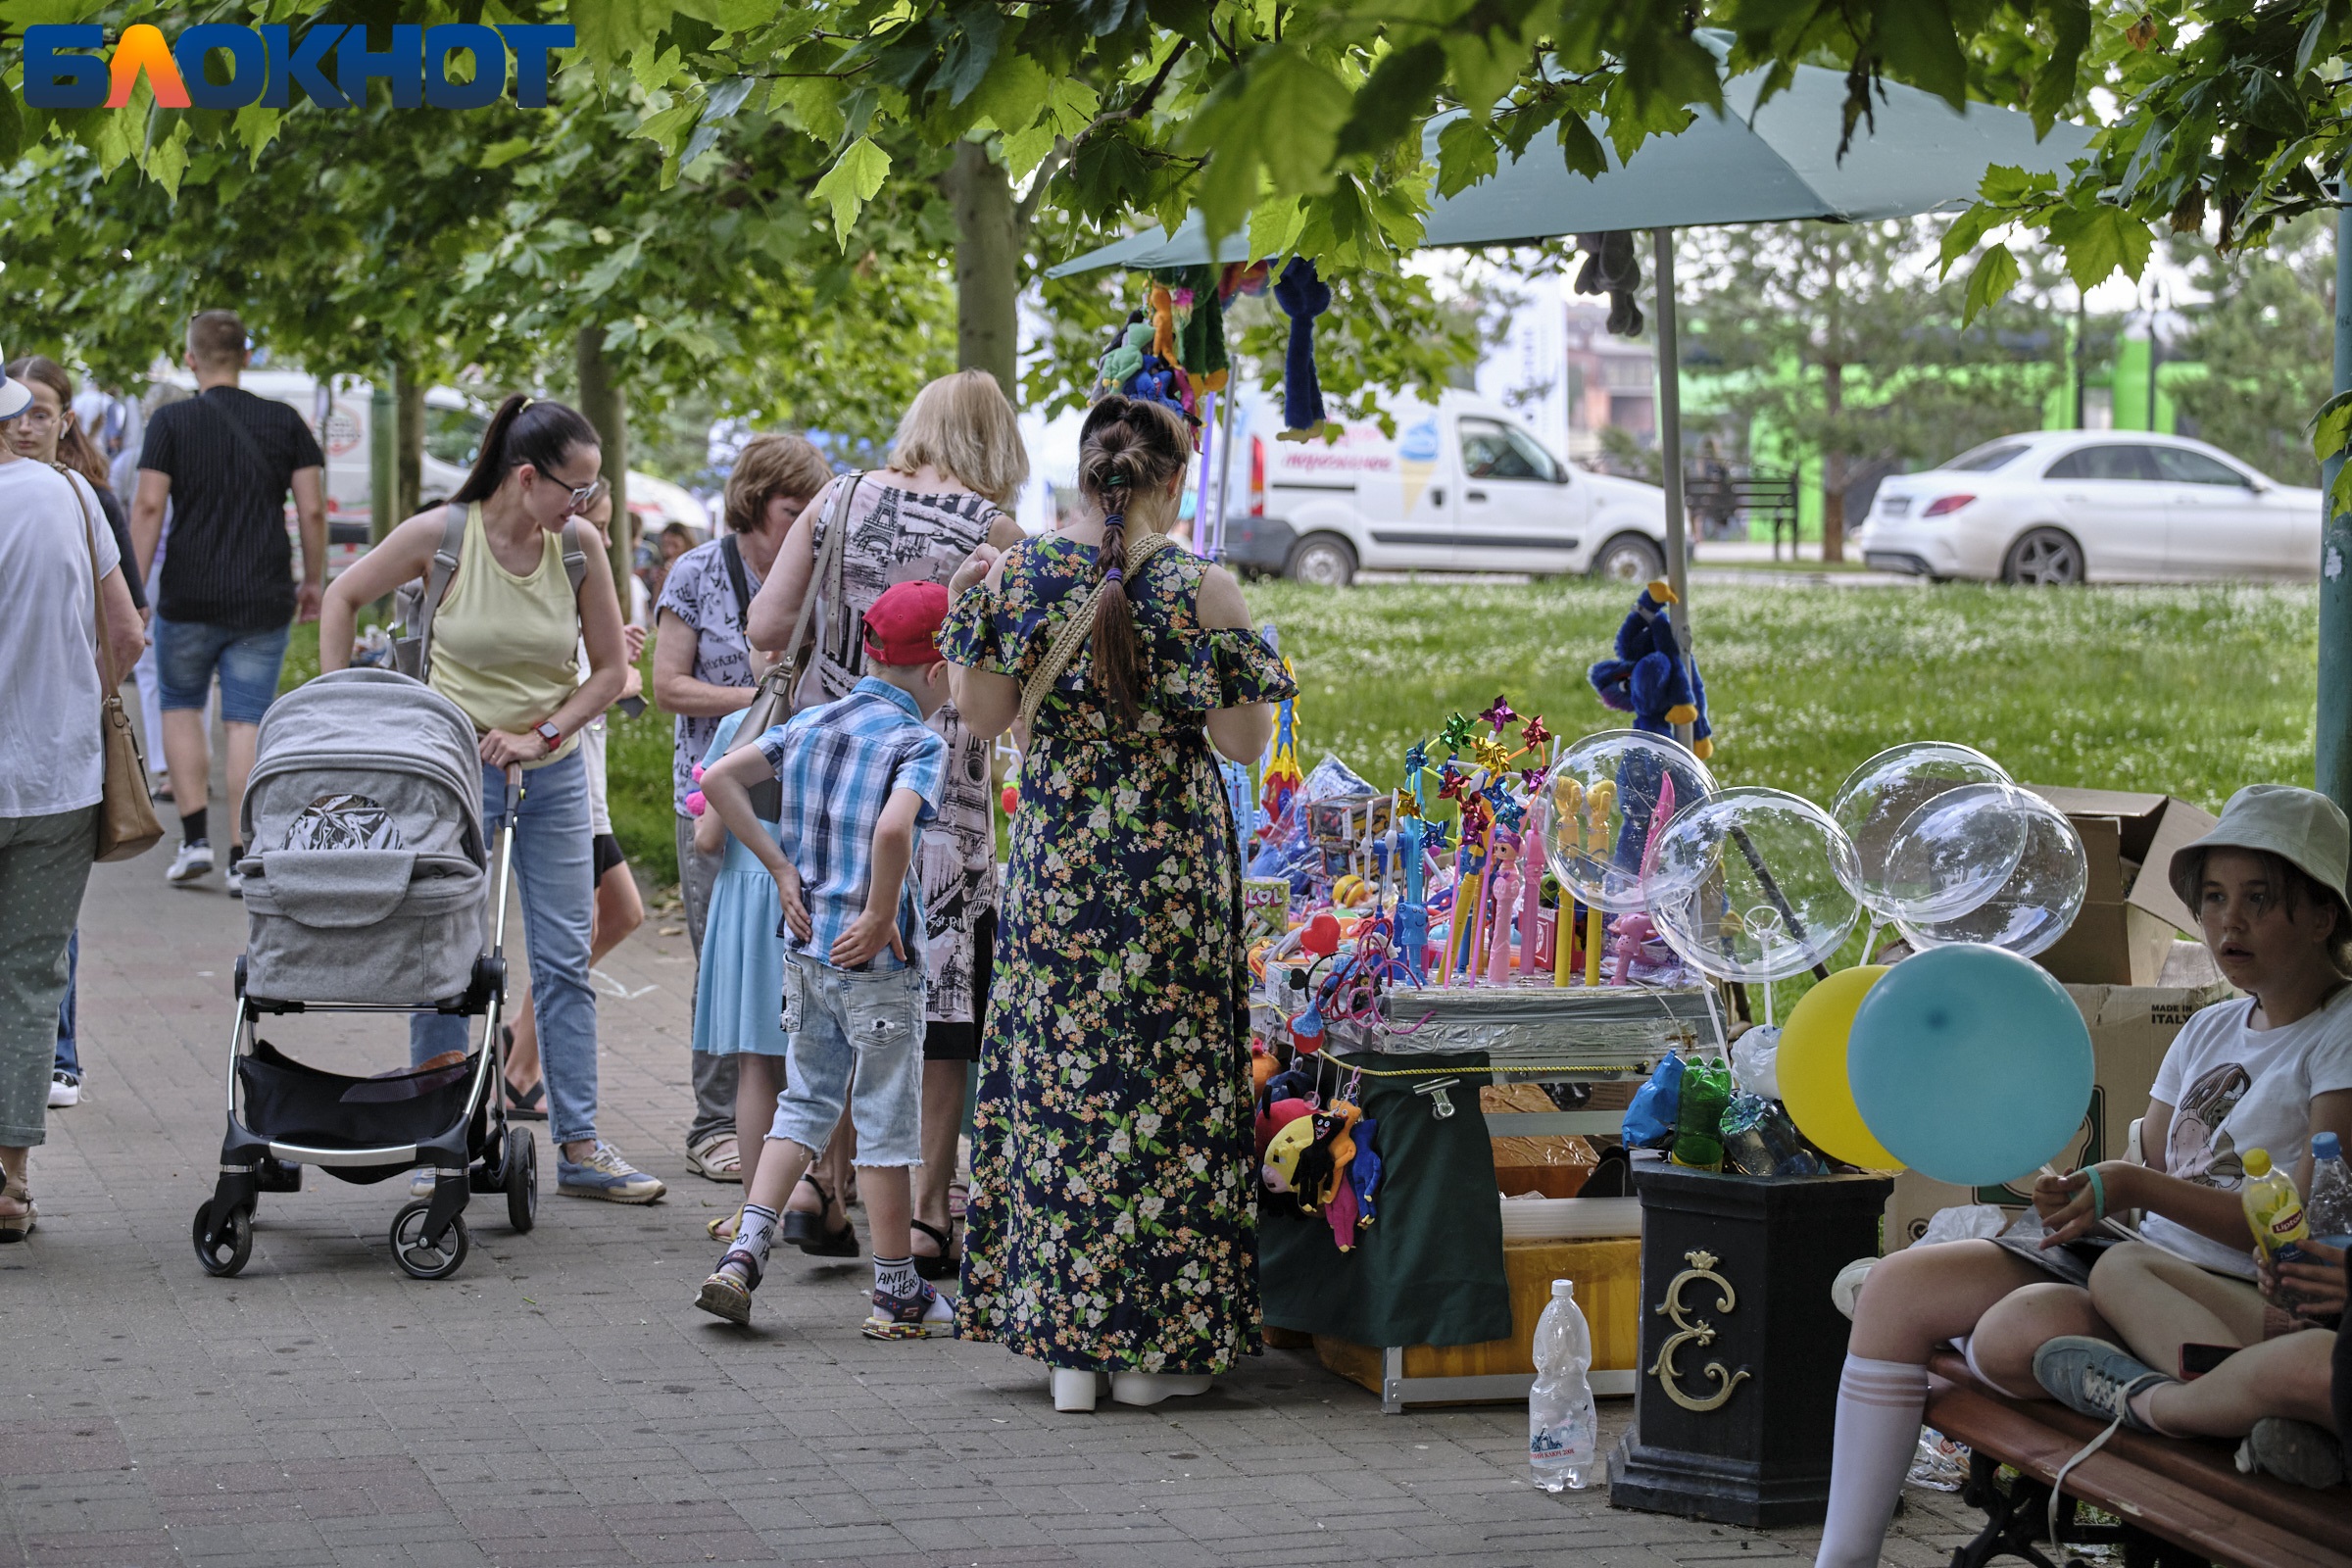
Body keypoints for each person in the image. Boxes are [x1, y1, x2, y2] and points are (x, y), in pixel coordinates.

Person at [1814, 784, 2352, 1567]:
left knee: (2032, 1324)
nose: (2228, 923)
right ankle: (1844, 1561)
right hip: (2134, 1266)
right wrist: (2084, 1198)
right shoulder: (2207, 1028)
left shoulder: (2339, 1033)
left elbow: (2289, 1220)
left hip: (2239, 1291)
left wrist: (2127, 1190)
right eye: (2212, 899)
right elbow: (2153, 1169)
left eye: (2259, 900)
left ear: (2322, 915)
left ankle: (2214, 1407)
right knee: (1917, 1299)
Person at [938, 395, 1295, 1412]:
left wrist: (977, 608)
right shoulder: (1202, 586)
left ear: (1090, 473)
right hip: (1168, 871)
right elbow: (1241, 744)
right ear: (1172, 482)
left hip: (1060, 866)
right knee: (1166, 1093)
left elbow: (981, 714)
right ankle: (1154, 1354)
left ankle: (1068, 1355)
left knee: (1061, 1091)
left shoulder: (1024, 573)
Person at [318, 394, 662, 1205]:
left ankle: (580, 1143)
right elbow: (341, 598)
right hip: (452, 772)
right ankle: (437, 1129)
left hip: (551, 770)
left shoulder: (576, 547)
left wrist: (544, 736)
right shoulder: (444, 535)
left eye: (592, 491)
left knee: (562, 957)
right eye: (575, 490)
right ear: (525, 477)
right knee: (447, 950)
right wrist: (343, 710)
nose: (587, 507)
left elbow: (612, 673)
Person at [746, 374, 1028, 1277]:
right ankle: (927, 1218)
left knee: (833, 994)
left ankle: (817, 1189)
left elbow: (765, 627)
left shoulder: (836, 498)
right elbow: (1011, 697)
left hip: (829, 789)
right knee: (938, 1013)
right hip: (940, 799)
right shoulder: (995, 535)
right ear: (999, 443)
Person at [692, 580, 956, 1339]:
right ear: (937, 673)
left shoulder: (810, 721)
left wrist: (779, 869)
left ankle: (743, 1253)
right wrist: (879, 912)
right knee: (883, 1124)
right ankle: (896, 1289)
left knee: (803, 1104)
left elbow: (717, 781)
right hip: (876, 967)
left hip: (805, 951)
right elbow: (894, 831)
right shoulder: (918, 742)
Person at [652, 432, 832, 1189]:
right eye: (793, 510)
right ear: (755, 504)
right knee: (722, 963)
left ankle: (791, 1129)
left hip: (800, 803)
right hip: (712, 796)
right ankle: (713, 1122)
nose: (803, 527)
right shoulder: (697, 573)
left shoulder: (818, 573)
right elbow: (667, 686)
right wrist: (766, 704)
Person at [0, 353, 145, 1240]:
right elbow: (126, 632)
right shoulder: (69, 494)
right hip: (55, 778)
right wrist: (71, 691)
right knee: (27, 977)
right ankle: (9, 1180)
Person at [129, 310, 327, 895]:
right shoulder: (284, 421)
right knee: (246, 718)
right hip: (262, 592)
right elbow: (313, 509)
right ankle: (244, 855)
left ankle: (193, 842)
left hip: (187, 591)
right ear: (245, 354)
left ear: (190, 359)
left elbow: (146, 509)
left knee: (181, 706)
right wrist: (313, 580)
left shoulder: (169, 422)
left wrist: (134, 595)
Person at [503, 480, 646, 1119]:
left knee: (616, 915)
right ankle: (521, 1062)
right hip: (566, 781)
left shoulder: (589, 573)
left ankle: (519, 1042)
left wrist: (621, 663)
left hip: (589, 784)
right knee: (595, 922)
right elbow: (568, 687)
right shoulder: (547, 571)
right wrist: (619, 673)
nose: (608, 540)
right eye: (600, 523)